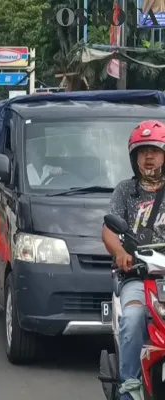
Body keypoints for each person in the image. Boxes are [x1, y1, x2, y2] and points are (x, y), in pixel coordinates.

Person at [102, 120, 165, 400]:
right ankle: (130, 385)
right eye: (143, 151)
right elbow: (108, 231)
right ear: (133, 157)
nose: (149, 156)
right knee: (133, 317)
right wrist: (121, 254)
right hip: (139, 277)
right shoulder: (125, 192)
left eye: (155, 150)